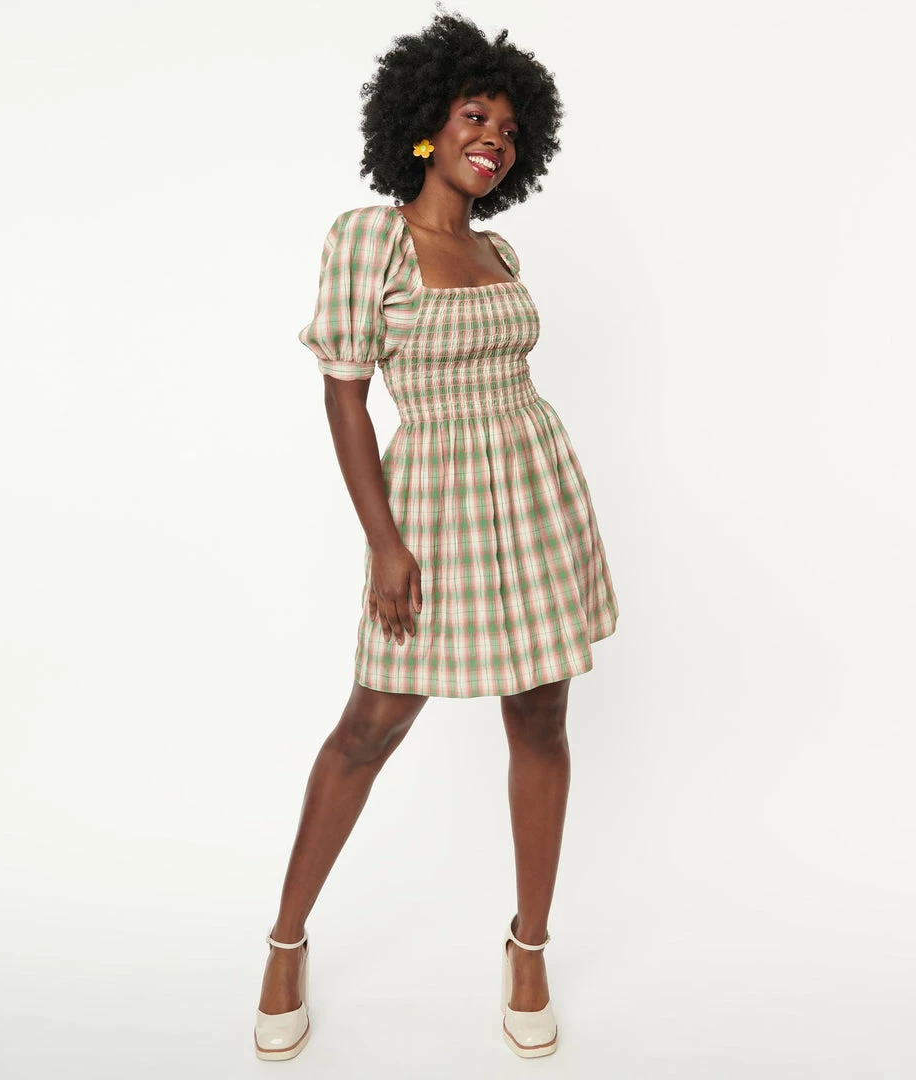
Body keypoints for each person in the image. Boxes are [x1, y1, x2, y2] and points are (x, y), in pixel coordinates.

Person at [254, 9, 619, 1062]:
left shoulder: (497, 249)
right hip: (432, 502)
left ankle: (529, 945)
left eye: (508, 127)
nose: (492, 138)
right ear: (425, 123)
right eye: (474, 116)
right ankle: (285, 940)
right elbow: (344, 394)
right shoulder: (370, 238)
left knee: (541, 715)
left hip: (535, 491)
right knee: (370, 725)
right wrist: (384, 543)